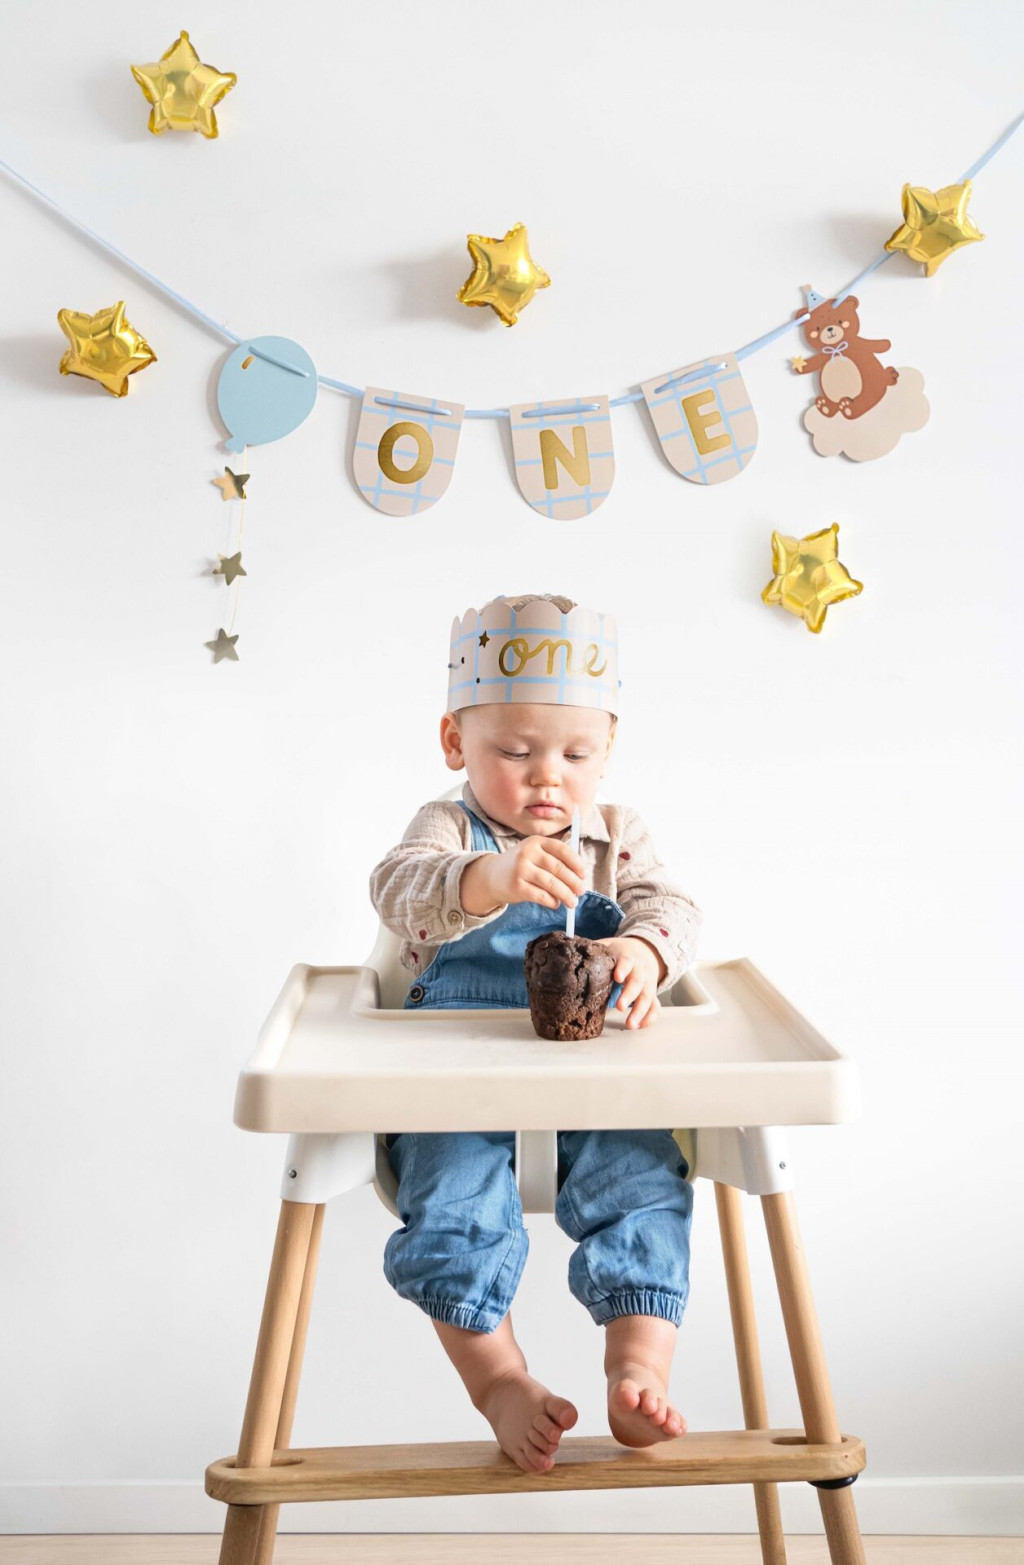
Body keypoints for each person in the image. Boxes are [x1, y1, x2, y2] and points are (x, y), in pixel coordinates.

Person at [369, 593, 702, 1473]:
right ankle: (500, 1381)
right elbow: (397, 887)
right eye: (516, 752)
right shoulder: (447, 828)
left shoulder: (616, 839)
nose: (547, 778)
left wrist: (643, 949)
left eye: (575, 754)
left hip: (594, 1081)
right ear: (456, 743)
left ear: (608, 750)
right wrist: (486, 877)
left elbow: (675, 906)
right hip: (455, 1080)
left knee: (644, 1182)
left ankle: (638, 1364)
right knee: (451, 1208)